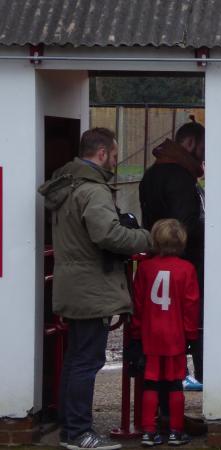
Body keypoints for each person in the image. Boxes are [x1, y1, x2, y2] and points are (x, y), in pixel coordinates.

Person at [38, 128, 152, 450]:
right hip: (91, 289)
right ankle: (79, 432)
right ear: (101, 153)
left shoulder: (67, 186)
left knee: (76, 360)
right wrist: (148, 239)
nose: (116, 161)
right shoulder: (93, 191)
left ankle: (70, 429)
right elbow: (108, 235)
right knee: (87, 362)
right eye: (115, 155)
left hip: (73, 284)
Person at [139, 121, 205, 391]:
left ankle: (161, 412)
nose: (205, 154)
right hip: (186, 266)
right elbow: (186, 223)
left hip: (160, 263)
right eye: (203, 147)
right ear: (190, 144)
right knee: (194, 324)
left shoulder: (152, 173)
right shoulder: (179, 178)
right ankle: (197, 378)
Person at [130, 219, 200, 447]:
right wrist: (191, 334)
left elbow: (138, 303)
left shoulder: (145, 268)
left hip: (150, 333)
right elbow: (191, 305)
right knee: (174, 384)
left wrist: (137, 331)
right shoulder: (186, 269)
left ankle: (148, 431)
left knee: (150, 383)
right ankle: (175, 431)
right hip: (174, 334)